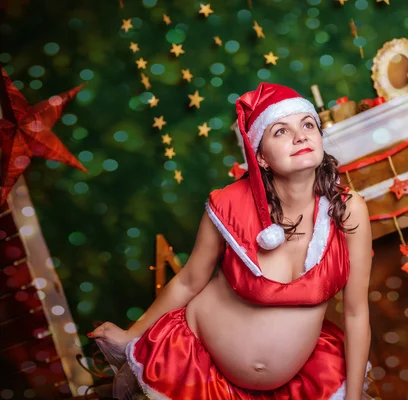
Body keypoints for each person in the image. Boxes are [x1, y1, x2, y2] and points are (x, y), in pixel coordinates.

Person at [89, 82, 374, 400]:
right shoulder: (230, 206)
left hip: (296, 384)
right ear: (261, 157)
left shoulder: (348, 211)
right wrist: (130, 335)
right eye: (280, 131)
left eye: (308, 124)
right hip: (195, 366)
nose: (300, 135)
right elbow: (188, 282)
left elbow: (355, 312)